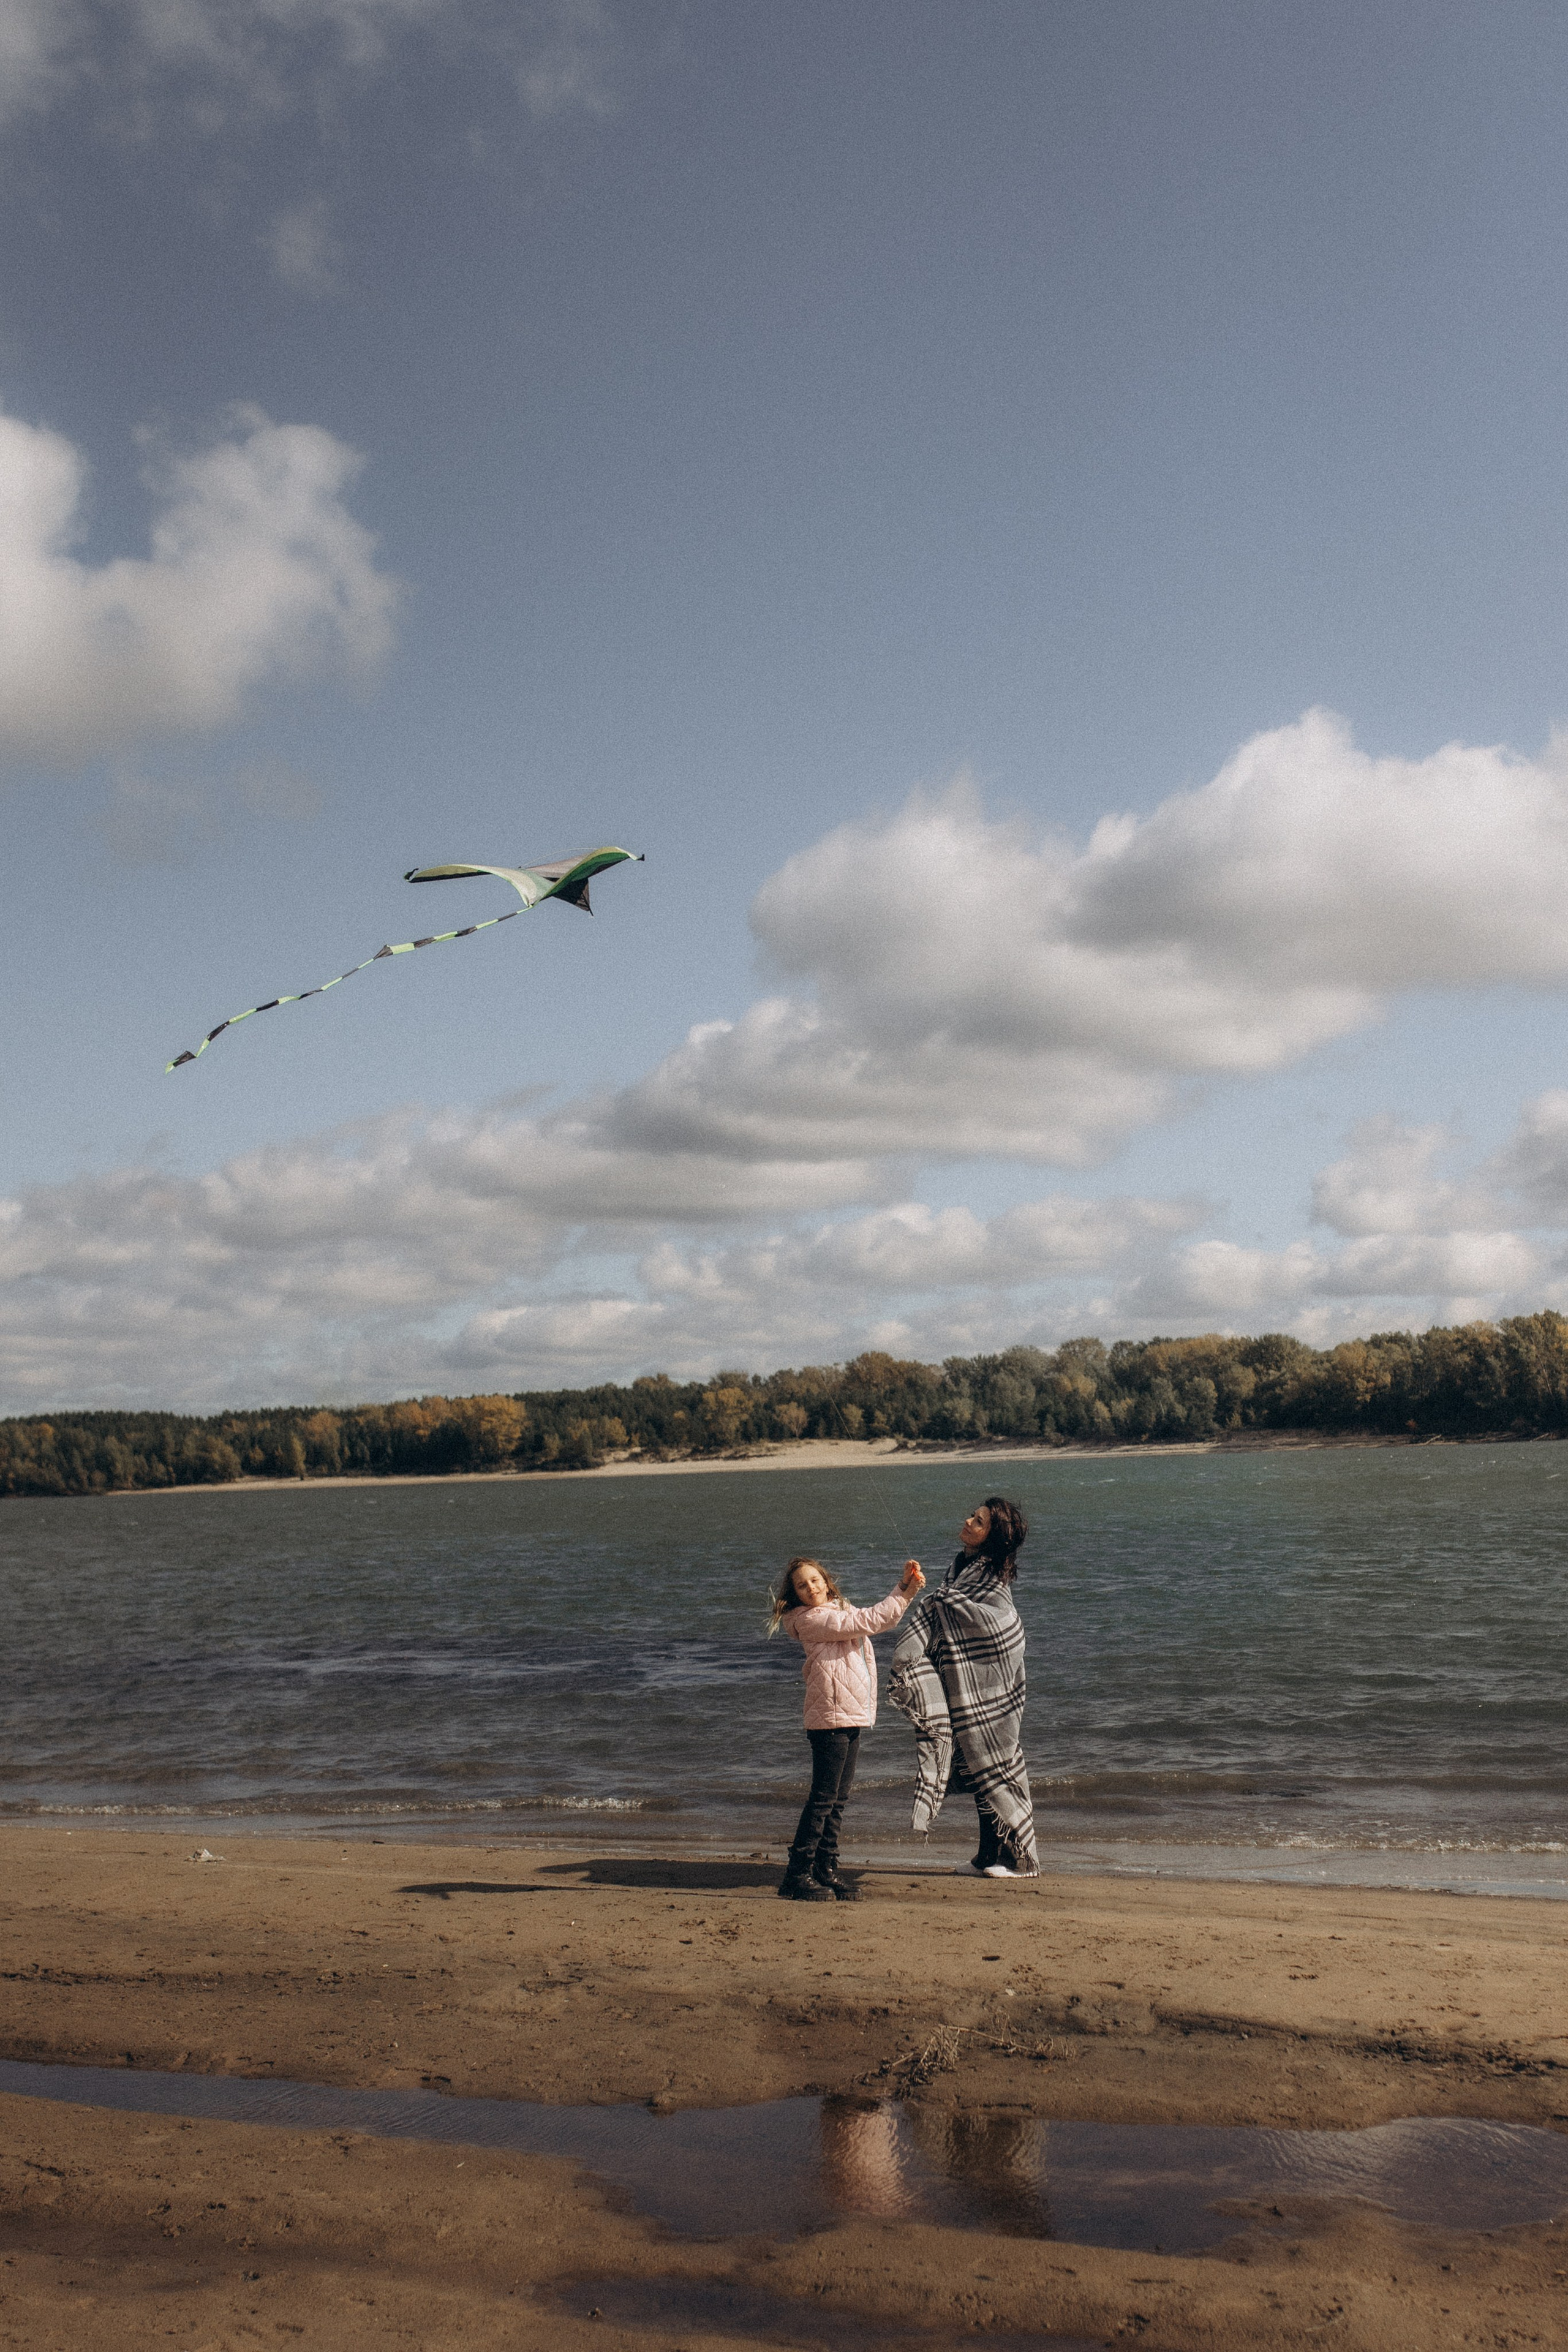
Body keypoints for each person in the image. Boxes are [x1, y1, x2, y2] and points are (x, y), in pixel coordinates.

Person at [887, 1497, 1039, 1878]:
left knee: (997, 1766)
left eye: (980, 1521)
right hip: (966, 1682)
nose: (968, 1521)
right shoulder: (960, 1567)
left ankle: (1016, 1858)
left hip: (993, 1684)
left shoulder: (992, 1575)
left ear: (993, 1537)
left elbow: (1001, 1623)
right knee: (975, 1764)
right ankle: (987, 1855)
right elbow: (951, 1619)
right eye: (973, 1516)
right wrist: (936, 1596)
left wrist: (945, 1601)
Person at [769, 1553, 925, 1901]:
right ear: (795, 1595)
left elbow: (872, 1617)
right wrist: (905, 1589)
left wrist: (905, 1587)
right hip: (830, 1715)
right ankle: (796, 1875)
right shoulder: (812, 1619)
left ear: (826, 1582)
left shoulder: (839, 1611)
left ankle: (825, 1869)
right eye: (801, 1585)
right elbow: (873, 1620)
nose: (810, 1588)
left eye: (814, 1580)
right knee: (823, 1799)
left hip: (850, 1713)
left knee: (838, 1800)